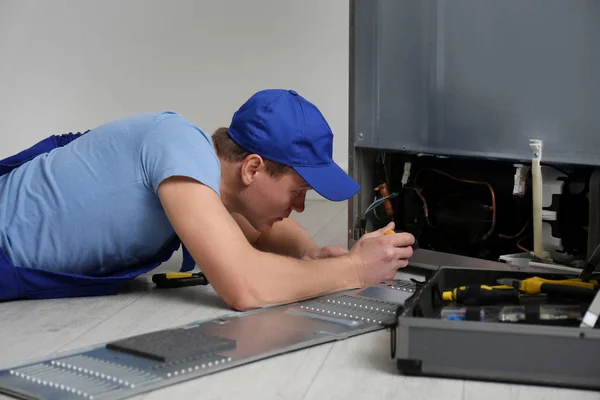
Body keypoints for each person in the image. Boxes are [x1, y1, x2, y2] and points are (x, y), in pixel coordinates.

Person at [0, 89, 414, 309]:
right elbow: (244, 287)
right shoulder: (178, 146)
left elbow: (254, 227)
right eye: (299, 192)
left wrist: (309, 256)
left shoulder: (202, 175)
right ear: (252, 168)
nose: (300, 206)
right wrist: (355, 268)